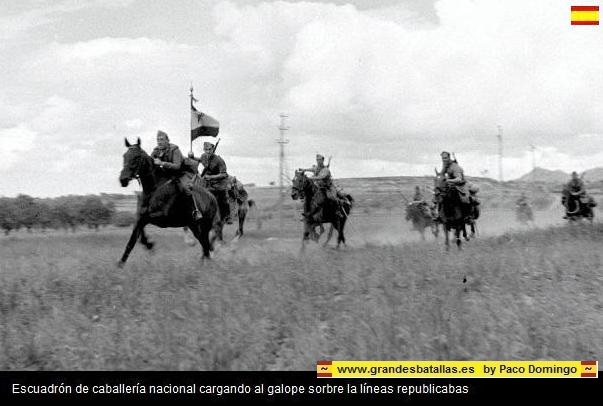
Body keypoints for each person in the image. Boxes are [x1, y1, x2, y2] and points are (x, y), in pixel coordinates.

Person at [150, 130, 202, 220]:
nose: (159, 142)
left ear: (167, 141)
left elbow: (177, 166)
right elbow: (150, 161)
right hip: (167, 174)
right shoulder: (156, 150)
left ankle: (195, 211)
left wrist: (162, 163)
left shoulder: (175, 149)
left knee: (185, 188)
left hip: (182, 173)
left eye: (162, 139)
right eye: (158, 140)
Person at [188, 141, 231, 224]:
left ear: (213, 149)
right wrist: (192, 157)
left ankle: (227, 216)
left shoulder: (219, 160)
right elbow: (200, 160)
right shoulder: (203, 156)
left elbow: (224, 174)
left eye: (210, 149)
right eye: (206, 150)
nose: (208, 151)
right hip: (207, 182)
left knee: (223, 199)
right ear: (204, 150)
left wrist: (211, 177)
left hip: (219, 183)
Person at [300, 154, 349, 221]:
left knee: (332, 198)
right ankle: (308, 214)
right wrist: (304, 169)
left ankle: (338, 211)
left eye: (319, 160)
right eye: (317, 160)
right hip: (320, 187)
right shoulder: (317, 167)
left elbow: (320, 177)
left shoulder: (325, 170)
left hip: (328, 188)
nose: (318, 161)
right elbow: (312, 169)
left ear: (323, 160)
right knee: (310, 197)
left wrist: (310, 178)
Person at [435, 151, 474, 222]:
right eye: (443, 158)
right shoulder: (445, 166)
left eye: (445, 158)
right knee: (440, 196)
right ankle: (440, 215)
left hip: (461, 185)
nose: (444, 160)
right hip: (450, 185)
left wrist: (448, 181)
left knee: (465, 198)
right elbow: (442, 174)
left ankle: (468, 216)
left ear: (449, 157)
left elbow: (459, 179)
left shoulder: (455, 167)